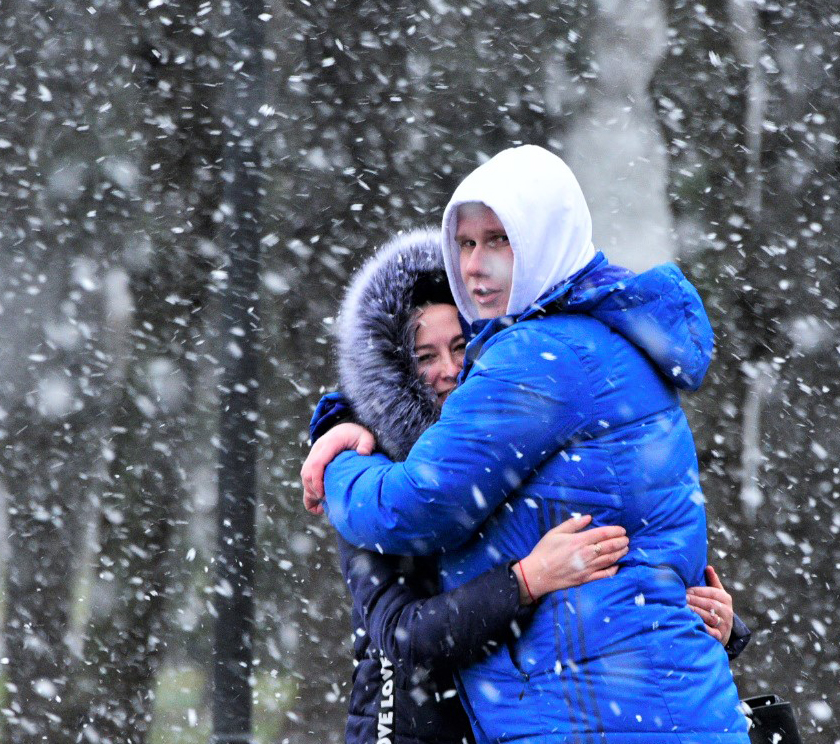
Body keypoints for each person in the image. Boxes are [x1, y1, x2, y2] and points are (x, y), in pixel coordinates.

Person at [306, 145, 749, 743]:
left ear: (545, 238)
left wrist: (333, 460)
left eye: (499, 241)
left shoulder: (538, 357)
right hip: (638, 711)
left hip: (598, 719)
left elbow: (415, 506)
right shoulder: (609, 340)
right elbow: (646, 537)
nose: (475, 267)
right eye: (464, 244)